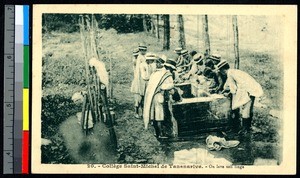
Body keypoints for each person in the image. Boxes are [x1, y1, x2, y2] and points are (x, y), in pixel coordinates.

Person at [218, 60, 263, 134]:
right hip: (253, 87)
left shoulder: (230, 74)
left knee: (246, 109)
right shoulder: (234, 71)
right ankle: (248, 127)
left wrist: (228, 93)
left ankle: (245, 129)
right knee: (249, 108)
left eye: (221, 70)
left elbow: (233, 89)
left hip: (247, 89)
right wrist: (226, 90)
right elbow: (229, 85)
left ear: (223, 70)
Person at [143, 58, 177, 138]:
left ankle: (156, 132)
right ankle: (161, 134)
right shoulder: (167, 74)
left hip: (153, 96)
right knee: (159, 116)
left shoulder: (156, 73)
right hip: (159, 96)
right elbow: (170, 86)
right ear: (169, 68)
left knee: (154, 115)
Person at [130, 44, 147, 118]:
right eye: (144, 50)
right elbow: (139, 70)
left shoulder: (143, 57)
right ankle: (136, 112)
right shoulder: (140, 58)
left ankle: (143, 112)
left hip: (142, 79)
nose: (145, 52)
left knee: (143, 97)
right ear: (141, 51)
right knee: (138, 98)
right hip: (139, 79)